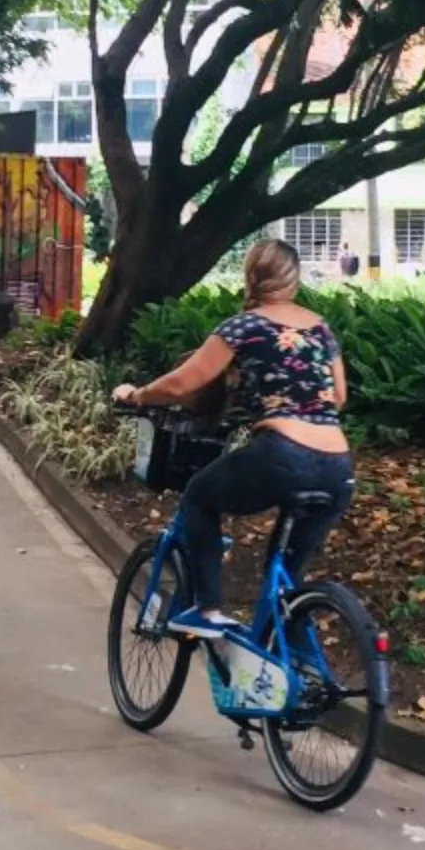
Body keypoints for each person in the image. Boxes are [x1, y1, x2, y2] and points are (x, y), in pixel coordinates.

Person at [112, 239, 354, 638]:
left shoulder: (244, 326)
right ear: (294, 281)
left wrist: (136, 394)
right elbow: (339, 397)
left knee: (199, 496)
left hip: (283, 455)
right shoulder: (320, 329)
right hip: (338, 467)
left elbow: (181, 384)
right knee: (287, 585)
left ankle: (207, 611)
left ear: (252, 275)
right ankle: (290, 667)